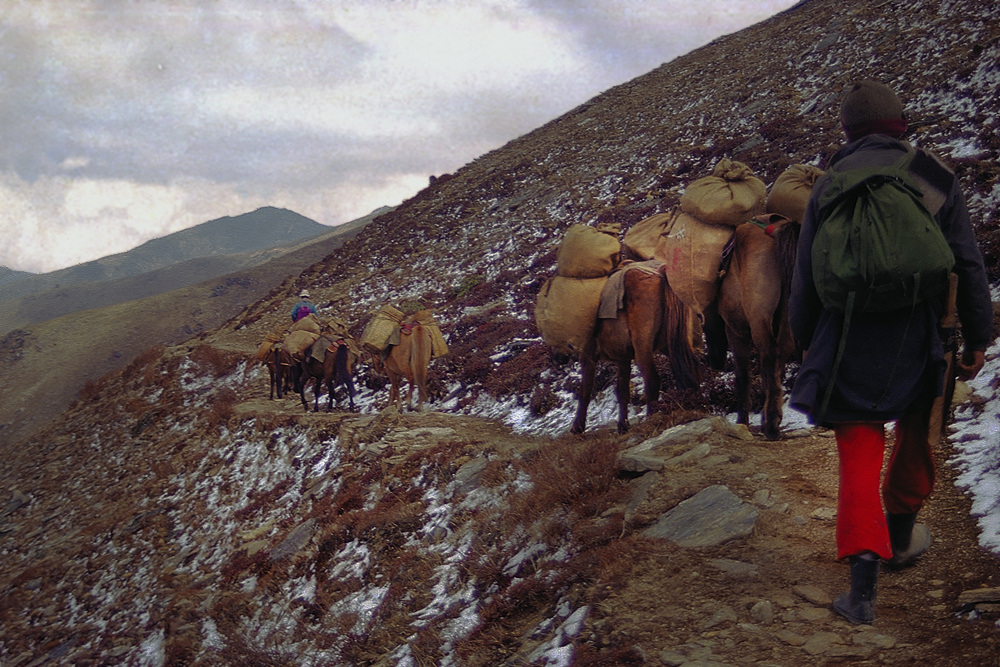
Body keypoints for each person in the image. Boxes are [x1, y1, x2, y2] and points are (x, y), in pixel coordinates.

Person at [788, 80, 994, 624]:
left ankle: (860, 589)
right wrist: (978, 337)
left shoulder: (829, 184)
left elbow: (805, 279)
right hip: (924, 333)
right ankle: (901, 538)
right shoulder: (931, 173)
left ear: (848, 132)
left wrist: (806, 343)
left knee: (859, 452)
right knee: (917, 434)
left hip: (847, 337)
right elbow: (967, 264)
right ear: (901, 124)